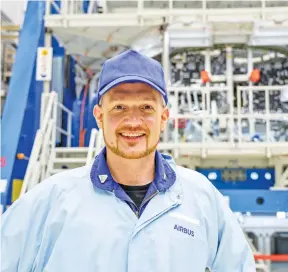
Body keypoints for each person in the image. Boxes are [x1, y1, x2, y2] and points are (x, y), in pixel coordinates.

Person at [1, 50, 256, 272]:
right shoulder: (51, 200)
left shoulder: (200, 198)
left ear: (164, 117)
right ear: (99, 116)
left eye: (146, 108)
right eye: (119, 108)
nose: (133, 121)